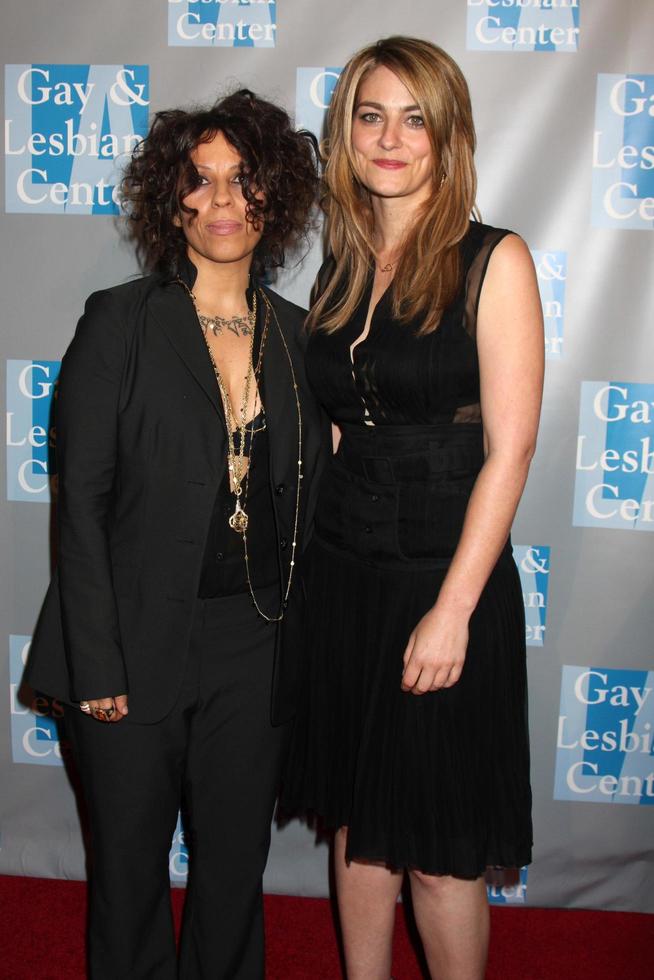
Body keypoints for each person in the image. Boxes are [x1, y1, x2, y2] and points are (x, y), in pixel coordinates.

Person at [26, 89, 323, 979]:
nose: (224, 201)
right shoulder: (120, 319)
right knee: (126, 876)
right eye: (202, 181)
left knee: (234, 876)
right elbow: (78, 503)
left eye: (245, 181)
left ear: (273, 200)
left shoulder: (301, 338)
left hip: (255, 645)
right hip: (127, 637)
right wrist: (96, 665)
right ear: (174, 198)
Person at [282, 37, 544, 980]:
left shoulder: (493, 261)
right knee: (360, 833)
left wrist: (454, 610)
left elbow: (509, 449)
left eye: (415, 117)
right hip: (346, 578)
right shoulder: (343, 267)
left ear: (448, 135)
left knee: (436, 853)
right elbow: (346, 428)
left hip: (443, 581)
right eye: (370, 114)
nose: (391, 137)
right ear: (346, 133)